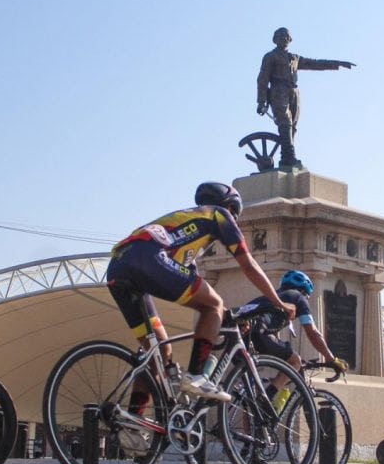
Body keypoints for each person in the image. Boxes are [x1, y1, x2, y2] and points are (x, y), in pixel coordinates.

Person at [106, 182, 296, 403]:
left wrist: (225, 316)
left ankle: (131, 420)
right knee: (213, 304)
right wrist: (279, 302)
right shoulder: (220, 214)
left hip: (118, 265)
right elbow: (249, 265)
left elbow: (198, 289)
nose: (235, 223)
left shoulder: (187, 231)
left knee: (159, 353)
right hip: (149, 257)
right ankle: (196, 376)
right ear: (231, 208)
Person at [245, 270, 347, 410]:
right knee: (295, 361)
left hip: (243, 334)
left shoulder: (275, 296)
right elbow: (313, 333)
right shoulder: (298, 297)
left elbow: (273, 332)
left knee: (251, 398)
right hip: (258, 333)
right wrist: (331, 359)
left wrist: (283, 355)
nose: (306, 299)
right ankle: (268, 396)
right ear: (304, 291)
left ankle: (251, 420)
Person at [256, 27, 355, 168]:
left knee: (293, 126)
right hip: (278, 91)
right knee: (285, 123)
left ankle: (285, 158)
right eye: (281, 36)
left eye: (286, 36)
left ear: (290, 40)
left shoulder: (295, 58)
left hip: (294, 92)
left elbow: (315, 63)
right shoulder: (270, 57)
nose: (284, 38)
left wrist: (337, 63)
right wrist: (261, 101)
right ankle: (290, 157)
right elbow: (263, 79)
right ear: (275, 39)